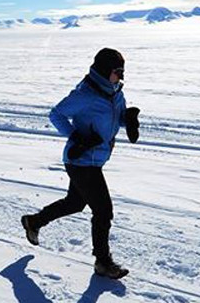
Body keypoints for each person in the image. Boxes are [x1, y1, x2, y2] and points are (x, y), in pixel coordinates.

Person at [20, 48, 141, 280]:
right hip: (81, 159)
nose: (121, 76)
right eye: (117, 71)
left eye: (122, 71)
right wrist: (77, 137)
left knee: (75, 203)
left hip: (96, 160)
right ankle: (102, 262)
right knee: (103, 210)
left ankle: (33, 221)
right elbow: (56, 114)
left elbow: (115, 117)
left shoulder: (115, 92)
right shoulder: (85, 94)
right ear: (105, 71)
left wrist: (129, 120)